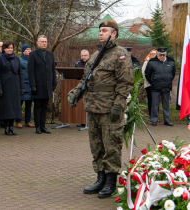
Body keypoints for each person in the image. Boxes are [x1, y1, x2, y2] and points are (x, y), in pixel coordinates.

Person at [68, 19, 134, 198]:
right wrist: (75, 92)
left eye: (105, 30)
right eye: (100, 30)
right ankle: (100, 179)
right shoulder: (96, 54)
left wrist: (118, 106)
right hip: (93, 108)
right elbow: (85, 79)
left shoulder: (120, 54)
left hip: (109, 109)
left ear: (114, 33)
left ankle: (111, 181)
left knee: (111, 145)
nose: (101, 33)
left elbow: (126, 83)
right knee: (96, 146)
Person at [28, 35, 57, 134]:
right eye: (42, 41)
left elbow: (53, 69)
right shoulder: (33, 54)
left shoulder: (50, 54)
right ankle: (37, 127)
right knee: (37, 106)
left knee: (45, 106)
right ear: (38, 43)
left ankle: (43, 126)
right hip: (38, 85)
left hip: (47, 85)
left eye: (45, 42)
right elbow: (30, 71)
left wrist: (54, 82)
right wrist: (33, 85)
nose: (44, 43)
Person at [0, 40, 25, 135]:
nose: (10, 49)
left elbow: (20, 73)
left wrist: (22, 86)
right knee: (6, 108)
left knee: (14, 108)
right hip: (5, 86)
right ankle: (6, 128)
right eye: (8, 48)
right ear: (4, 49)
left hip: (15, 85)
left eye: (11, 48)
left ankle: (11, 127)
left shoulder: (16, 58)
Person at [145, 47, 175, 126]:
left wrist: (168, 81)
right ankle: (154, 120)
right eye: (160, 55)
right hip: (155, 87)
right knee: (155, 104)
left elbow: (173, 74)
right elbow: (147, 74)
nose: (161, 56)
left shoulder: (171, 62)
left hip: (166, 86)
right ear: (157, 55)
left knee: (166, 104)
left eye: (163, 55)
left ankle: (167, 120)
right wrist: (153, 82)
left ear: (166, 54)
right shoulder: (152, 62)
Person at [15, 44, 35, 128]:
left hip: (30, 85)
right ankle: (18, 121)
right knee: (19, 104)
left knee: (29, 104)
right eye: (27, 49)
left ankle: (27, 121)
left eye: (30, 49)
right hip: (22, 85)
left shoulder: (32, 60)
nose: (29, 51)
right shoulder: (19, 60)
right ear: (23, 51)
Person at [75, 49, 90, 127]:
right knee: (81, 103)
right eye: (82, 55)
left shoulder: (92, 63)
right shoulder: (78, 63)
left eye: (85, 55)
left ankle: (88, 121)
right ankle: (82, 121)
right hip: (80, 86)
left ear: (89, 56)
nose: (83, 57)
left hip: (89, 86)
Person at [142, 49, 158, 120]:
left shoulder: (159, 62)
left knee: (156, 101)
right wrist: (149, 81)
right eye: (152, 53)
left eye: (154, 53)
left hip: (157, 85)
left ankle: (155, 116)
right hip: (148, 84)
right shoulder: (147, 61)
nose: (153, 55)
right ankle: (151, 115)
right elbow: (143, 72)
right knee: (150, 100)